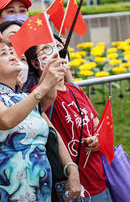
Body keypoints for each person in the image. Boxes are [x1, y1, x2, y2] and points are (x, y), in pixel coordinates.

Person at [0, 39, 81, 202]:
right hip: (6, 191)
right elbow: (6, 119)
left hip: (40, 190)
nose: (13, 56)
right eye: (4, 53)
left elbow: (52, 130)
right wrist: (43, 86)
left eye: (12, 52)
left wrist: (72, 169)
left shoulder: (23, 97)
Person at [45, 64, 112, 201]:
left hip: (97, 178)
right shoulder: (41, 95)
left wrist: (97, 139)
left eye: (60, 49)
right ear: (35, 62)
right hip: (71, 184)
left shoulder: (75, 89)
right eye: (50, 49)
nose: (58, 56)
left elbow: (97, 127)